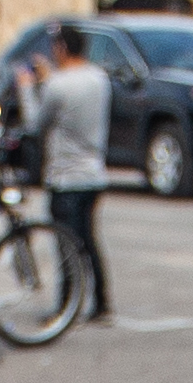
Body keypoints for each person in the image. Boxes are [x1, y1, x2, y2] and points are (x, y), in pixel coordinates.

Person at [37, 20, 117, 322]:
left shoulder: (57, 85)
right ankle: (101, 303)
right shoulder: (99, 78)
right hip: (94, 172)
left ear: (61, 48)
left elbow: (36, 122)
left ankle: (66, 306)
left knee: (65, 243)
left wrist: (31, 87)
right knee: (89, 239)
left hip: (65, 175)